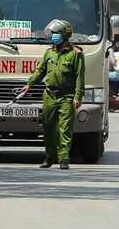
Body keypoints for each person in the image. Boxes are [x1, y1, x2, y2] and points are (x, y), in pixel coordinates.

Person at [18, 19, 85, 170]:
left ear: (65, 35)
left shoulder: (76, 55)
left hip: (67, 96)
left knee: (65, 129)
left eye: (57, 33)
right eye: (53, 33)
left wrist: (77, 97)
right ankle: (50, 156)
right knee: (48, 127)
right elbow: (40, 71)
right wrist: (29, 84)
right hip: (49, 95)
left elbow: (80, 77)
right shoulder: (49, 52)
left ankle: (64, 159)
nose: (54, 36)